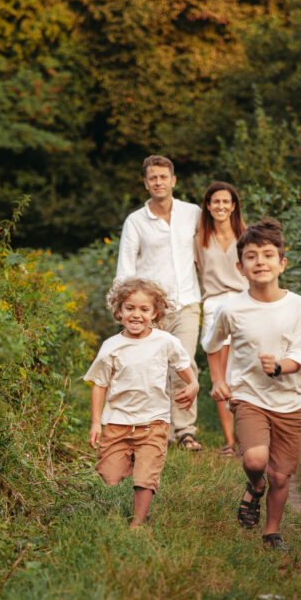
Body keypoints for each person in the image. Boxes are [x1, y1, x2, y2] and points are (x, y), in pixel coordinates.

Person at [204, 218, 301, 551]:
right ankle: (255, 485)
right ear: (240, 267)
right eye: (251, 256)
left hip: (291, 400)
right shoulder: (232, 308)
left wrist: (279, 366)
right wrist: (218, 379)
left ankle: (271, 533)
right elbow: (212, 345)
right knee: (254, 460)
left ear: (282, 263)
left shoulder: (298, 306)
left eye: (268, 255)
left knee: (280, 475)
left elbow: (300, 355)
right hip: (249, 395)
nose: (260, 262)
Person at [85, 278, 199, 527]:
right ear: (119, 310)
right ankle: (133, 460)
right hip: (118, 422)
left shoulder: (165, 341)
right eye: (130, 308)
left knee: (145, 478)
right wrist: (95, 423)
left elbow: (183, 365)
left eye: (144, 309)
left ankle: (137, 523)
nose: (136, 314)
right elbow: (99, 384)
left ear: (155, 313)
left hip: (153, 422)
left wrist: (193, 384)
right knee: (109, 476)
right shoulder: (111, 347)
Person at [116, 155, 204, 451]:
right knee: (154, 368)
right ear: (145, 183)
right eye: (152, 178)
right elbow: (125, 268)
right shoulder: (136, 221)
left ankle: (186, 430)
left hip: (187, 302)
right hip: (151, 309)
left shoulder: (192, 213)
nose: (158, 182)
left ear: (173, 180)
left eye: (163, 177)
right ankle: (159, 429)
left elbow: (213, 243)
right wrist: (125, 308)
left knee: (184, 363)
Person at [195, 181, 249, 457]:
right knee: (220, 376)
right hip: (214, 305)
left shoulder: (245, 236)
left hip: (243, 303)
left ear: (233, 206)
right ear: (207, 206)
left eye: (226, 201)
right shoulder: (200, 239)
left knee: (243, 372)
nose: (220, 206)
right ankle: (229, 441)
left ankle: (248, 437)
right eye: (215, 201)